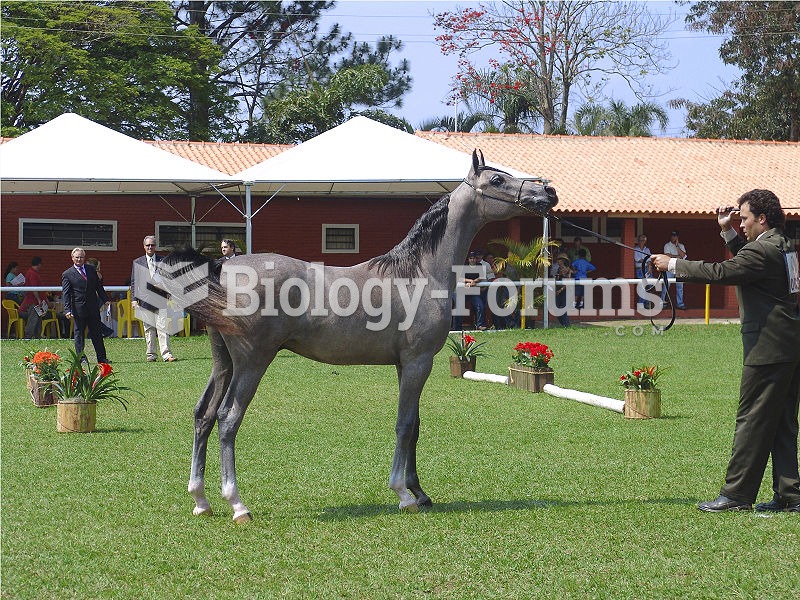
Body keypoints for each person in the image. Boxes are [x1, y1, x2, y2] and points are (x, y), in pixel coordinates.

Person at [651, 189, 800, 513]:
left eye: (743, 218)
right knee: (782, 422)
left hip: (768, 348)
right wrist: (725, 228)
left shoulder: (764, 252)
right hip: (788, 346)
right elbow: (749, 260)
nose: (741, 223)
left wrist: (673, 263)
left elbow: (724, 272)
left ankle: (736, 496)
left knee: (753, 420)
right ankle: (790, 495)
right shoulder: (783, 245)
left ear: (762, 218)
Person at [131, 235, 177, 362]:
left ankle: (166, 354)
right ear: (144, 246)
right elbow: (134, 282)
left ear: (155, 246)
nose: (150, 247)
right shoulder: (138, 262)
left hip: (160, 298)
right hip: (145, 299)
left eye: (152, 245)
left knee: (163, 327)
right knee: (149, 328)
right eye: (148, 245)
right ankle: (151, 355)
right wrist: (134, 299)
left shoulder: (163, 261)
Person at [62, 247, 109, 365]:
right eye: (77, 257)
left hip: (93, 307)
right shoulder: (67, 274)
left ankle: (102, 358)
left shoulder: (91, 270)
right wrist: (67, 309)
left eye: (81, 257)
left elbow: (98, 287)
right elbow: (66, 293)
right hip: (78, 309)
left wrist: (105, 299)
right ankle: (81, 358)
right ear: (72, 258)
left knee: (97, 333)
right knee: (79, 334)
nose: (79, 259)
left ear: (84, 258)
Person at [85, 258, 115, 338]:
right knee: (91, 317)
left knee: (91, 317)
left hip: (96, 298)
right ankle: (92, 334)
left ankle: (106, 331)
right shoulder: (93, 274)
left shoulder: (96, 274)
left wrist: (104, 299)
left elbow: (98, 288)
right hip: (94, 298)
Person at [19, 257, 45, 339]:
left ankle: (37, 337)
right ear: (39, 264)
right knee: (33, 320)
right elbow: (34, 288)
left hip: (34, 302)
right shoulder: (32, 274)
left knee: (37, 320)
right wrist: (39, 300)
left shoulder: (32, 273)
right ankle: (28, 337)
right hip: (32, 303)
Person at [662, 230, 687, 309]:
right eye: (672, 236)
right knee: (666, 285)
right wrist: (677, 256)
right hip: (669, 268)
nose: (673, 237)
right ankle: (662, 302)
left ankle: (680, 304)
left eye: (675, 236)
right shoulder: (667, 245)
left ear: (677, 237)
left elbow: (683, 256)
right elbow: (667, 256)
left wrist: (677, 246)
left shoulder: (681, 246)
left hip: (679, 268)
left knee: (680, 286)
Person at [633, 234, 653, 307]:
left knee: (649, 286)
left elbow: (649, 259)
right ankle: (641, 304)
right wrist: (647, 263)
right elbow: (638, 260)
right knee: (642, 287)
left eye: (643, 240)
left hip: (647, 269)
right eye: (640, 240)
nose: (642, 242)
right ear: (638, 241)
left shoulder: (647, 250)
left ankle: (647, 303)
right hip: (640, 270)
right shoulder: (635, 249)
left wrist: (650, 266)